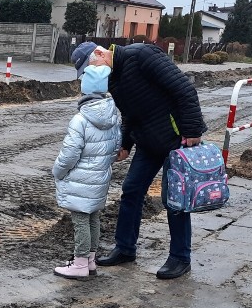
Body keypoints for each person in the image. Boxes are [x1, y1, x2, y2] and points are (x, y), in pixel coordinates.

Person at [70, 41, 207, 279]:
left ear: (101, 53)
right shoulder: (112, 78)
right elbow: (130, 114)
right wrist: (125, 143)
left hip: (177, 141)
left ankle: (180, 258)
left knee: (174, 199)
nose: (92, 74)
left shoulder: (143, 55)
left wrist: (193, 130)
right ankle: (125, 248)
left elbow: (184, 89)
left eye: (91, 67)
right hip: (148, 141)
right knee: (131, 189)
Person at [52, 64, 121, 280]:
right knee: (93, 217)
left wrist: (58, 171)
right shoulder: (113, 116)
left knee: (80, 220)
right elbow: (115, 148)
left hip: (80, 179)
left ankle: (80, 262)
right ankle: (90, 259)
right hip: (100, 178)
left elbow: (70, 153)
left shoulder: (80, 120)